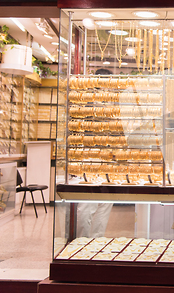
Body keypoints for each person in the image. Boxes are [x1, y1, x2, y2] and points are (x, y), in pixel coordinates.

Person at [76, 68, 114, 238]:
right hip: (91, 157)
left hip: (106, 158)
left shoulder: (109, 104)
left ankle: (95, 240)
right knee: (88, 204)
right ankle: (83, 240)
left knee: (105, 203)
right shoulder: (89, 105)